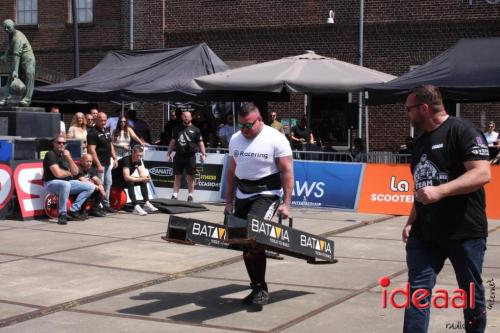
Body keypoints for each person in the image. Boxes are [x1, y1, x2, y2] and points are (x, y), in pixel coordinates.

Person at [401, 85, 491, 333]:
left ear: (424, 108)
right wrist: (410, 220)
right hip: (425, 233)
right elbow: (422, 186)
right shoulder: (420, 142)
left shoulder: (462, 131)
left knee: (470, 291)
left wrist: (441, 191)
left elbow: (482, 173)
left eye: (409, 109)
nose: (407, 114)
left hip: (463, 231)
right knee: (418, 291)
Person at [224, 102, 294, 306]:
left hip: (267, 193)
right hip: (242, 193)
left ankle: (261, 288)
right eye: (241, 125)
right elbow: (231, 172)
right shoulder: (236, 140)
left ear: (260, 120)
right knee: (242, 244)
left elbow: (287, 172)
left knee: (254, 240)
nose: (244, 130)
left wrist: (286, 203)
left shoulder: (276, 139)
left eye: (248, 125)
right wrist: (229, 201)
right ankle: (256, 287)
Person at [43, 135, 95, 224]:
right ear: (54, 143)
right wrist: (69, 173)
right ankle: (62, 214)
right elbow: (58, 174)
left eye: (63, 143)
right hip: (51, 183)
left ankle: (73, 211)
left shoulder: (65, 155)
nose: (61, 145)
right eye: (59, 142)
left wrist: (69, 158)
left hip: (66, 182)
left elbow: (76, 172)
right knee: (65, 184)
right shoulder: (50, 154)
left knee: (90, 186)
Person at [166, 110, 207, 202]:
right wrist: (168, 153)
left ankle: (190, 195)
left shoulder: (196, 130)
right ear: (182, 117)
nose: (186, 118)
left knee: (191, 177)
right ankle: (175, 195)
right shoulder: (177, 129)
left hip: (190, 156)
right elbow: (172, 142)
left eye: (188, 116)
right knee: (177, 176)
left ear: (191, 117)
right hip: (179, 155)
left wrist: (203, 153)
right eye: (184, 116)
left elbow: (200, 142)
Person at [113, 145, 158, 215]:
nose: (140, 158)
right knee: (130, 181)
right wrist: (141, 179)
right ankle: (135, 206)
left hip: (124, 180)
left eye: (141, 156)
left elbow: (142, 174)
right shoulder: (126, 160)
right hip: (115, 181)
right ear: (133, 153)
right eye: (138, 155)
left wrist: (145, 178)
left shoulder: (138, 160)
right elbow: (126, 177)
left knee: (143, 181)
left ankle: (146, 203)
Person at [87, 112, 118, 213]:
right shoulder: (92, 133)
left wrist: (114, 157)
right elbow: (92, 150)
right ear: (96, 120)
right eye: (101, 120)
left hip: (107, 163)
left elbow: (110, 144)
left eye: (105, 120)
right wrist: (99, 164)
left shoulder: (107, 130)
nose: (103, 122)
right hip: (98, 165)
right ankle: (97, 206)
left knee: (108, 184)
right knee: (100, 185)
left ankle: (106, 204)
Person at [0, 19, 35, 106]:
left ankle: (27, 99)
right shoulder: (11, 35)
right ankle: (6, 98)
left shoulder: (17, 37)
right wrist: (5, 54)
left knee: (28, 76)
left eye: (8, 27)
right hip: (19, 58)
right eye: (5, 28)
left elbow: (16, 55)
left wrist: (15, 70)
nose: (6, 29)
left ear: (13, 26)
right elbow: (9, 46)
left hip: (28, 59)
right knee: (10, 78)